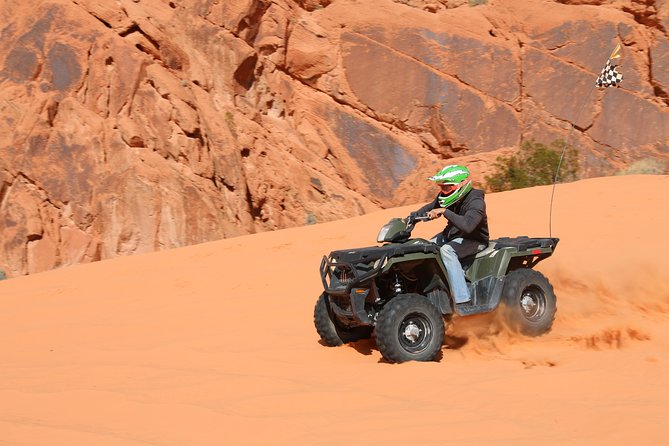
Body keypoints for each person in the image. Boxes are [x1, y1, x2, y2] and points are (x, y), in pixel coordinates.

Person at [410, 165, 489, 305]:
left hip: (474, 240)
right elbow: (430, 207)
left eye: (447, 187)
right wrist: (411, 218)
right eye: (441, 187)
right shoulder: (446, 197)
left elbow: (468, 226)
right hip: (452, 235)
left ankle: (463, 299)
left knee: (447, 251)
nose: (443, 191)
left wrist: (445, 212)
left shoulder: (476, 201)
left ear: (462, 183)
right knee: (425, 247)